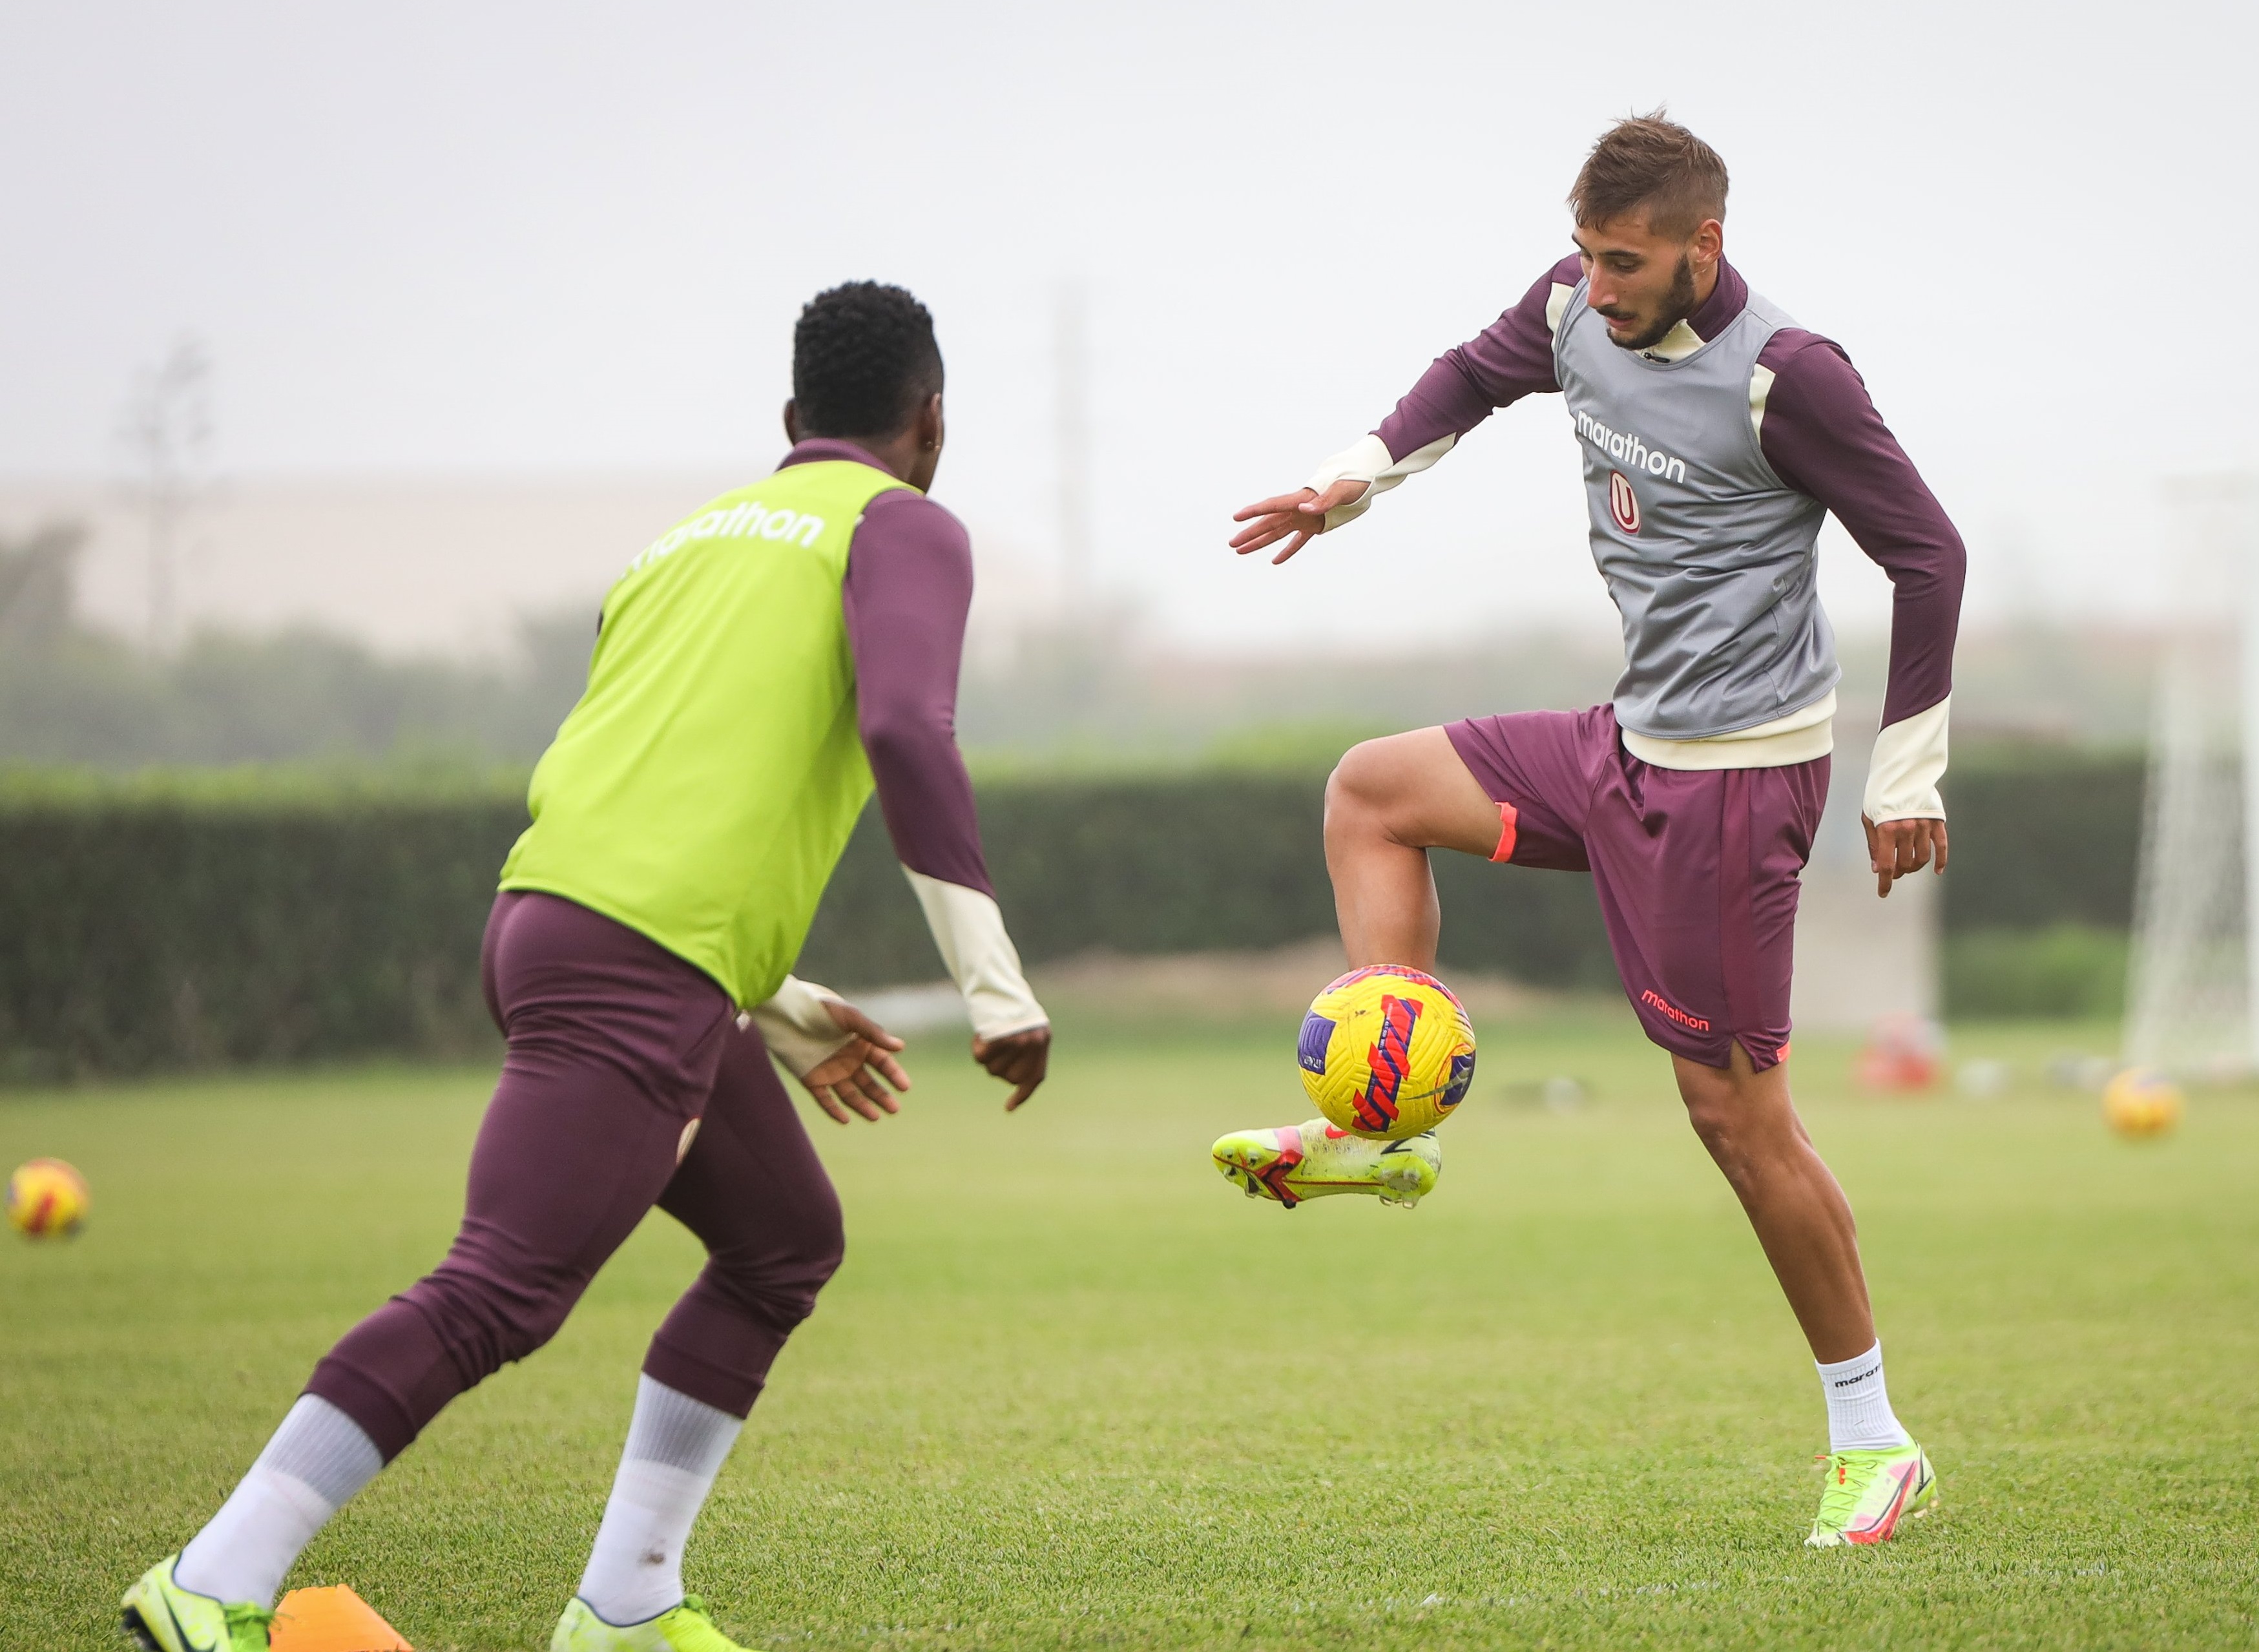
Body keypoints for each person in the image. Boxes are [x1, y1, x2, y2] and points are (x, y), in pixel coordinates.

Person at [122, 282, 1053, 1652]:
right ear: (932, 420)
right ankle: (211, 1578)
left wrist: (770, 999)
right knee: (496, 1290)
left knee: (782, 1243)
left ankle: (626, 1604)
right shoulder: (904, 523)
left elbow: (648, 784)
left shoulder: (683, 542)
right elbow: (910, 731)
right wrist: (996, 985)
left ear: (791, 422)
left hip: (564, 918)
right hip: (634, 961)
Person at [1212, 113, 1962, 1550]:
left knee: (1737, 1120)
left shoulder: (1790, 379)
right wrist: (1353, 473)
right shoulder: (1573, 307)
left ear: (1705, 245)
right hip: (1624, 745)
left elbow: (1929, 552)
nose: (1597, 285)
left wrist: (1905, 771)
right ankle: (1382, 1116)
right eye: (1586, 253)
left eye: (1627, 261)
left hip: (1738, 787)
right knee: (1372, 791)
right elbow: (1473, 375)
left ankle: (1875, 1439)